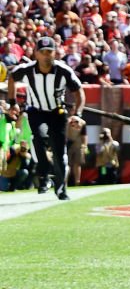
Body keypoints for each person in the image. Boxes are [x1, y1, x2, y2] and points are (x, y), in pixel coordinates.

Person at [6, 36, 84, 200]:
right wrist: (12, 103)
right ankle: (44, 175)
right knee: (39, 139)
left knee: (58, 150)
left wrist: (77, 114)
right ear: (36, 54)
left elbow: (79, 93)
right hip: (36, 110)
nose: (47, 55)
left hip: (57, 112)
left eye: (50, 52)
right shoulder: (27, 69)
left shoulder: (63, 71)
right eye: (43, 52)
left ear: (55, 53)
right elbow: (12, 78)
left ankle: (61, 188)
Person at [66, 113, 88, 187]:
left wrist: (84, 146)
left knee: (77, 164)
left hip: (78, 144)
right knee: (67, 164)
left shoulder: (82, 123)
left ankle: (77, 182)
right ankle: (65, 182)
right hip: (67, 144)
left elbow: (84, 135)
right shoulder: (66, 122)